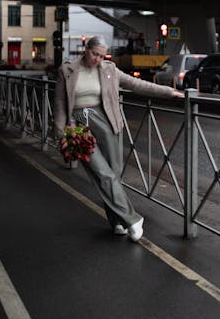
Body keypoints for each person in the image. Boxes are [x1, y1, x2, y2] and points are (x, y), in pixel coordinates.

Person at [54, 35, 184, 242]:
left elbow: (137, 84)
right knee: (102, 173)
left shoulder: (109, 70)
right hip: (79, 127)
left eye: (102, 56)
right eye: (95, 54)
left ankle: (117, 222)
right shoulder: (67, 70)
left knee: (113, 174)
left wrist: (169, 91)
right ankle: (133, 220)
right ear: (86, 49)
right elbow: (60, 102)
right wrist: (61, 133)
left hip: (106, 123)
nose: (98, 59)